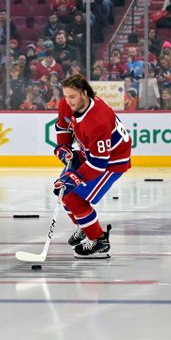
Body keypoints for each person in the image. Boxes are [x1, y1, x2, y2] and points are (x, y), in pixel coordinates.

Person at [52, 74, 132, 259]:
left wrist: (74, 177)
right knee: (62, 191)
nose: (68, 101)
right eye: (66, 96)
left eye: (72, 97)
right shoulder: (67, 104)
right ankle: (86, 227)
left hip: (113, 160)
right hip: (90, 153)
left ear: (85, 94)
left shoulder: (98, 120)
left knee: (72, 197)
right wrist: (63, 147)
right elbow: (63, 127)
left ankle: (99, 241)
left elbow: (98, 163)